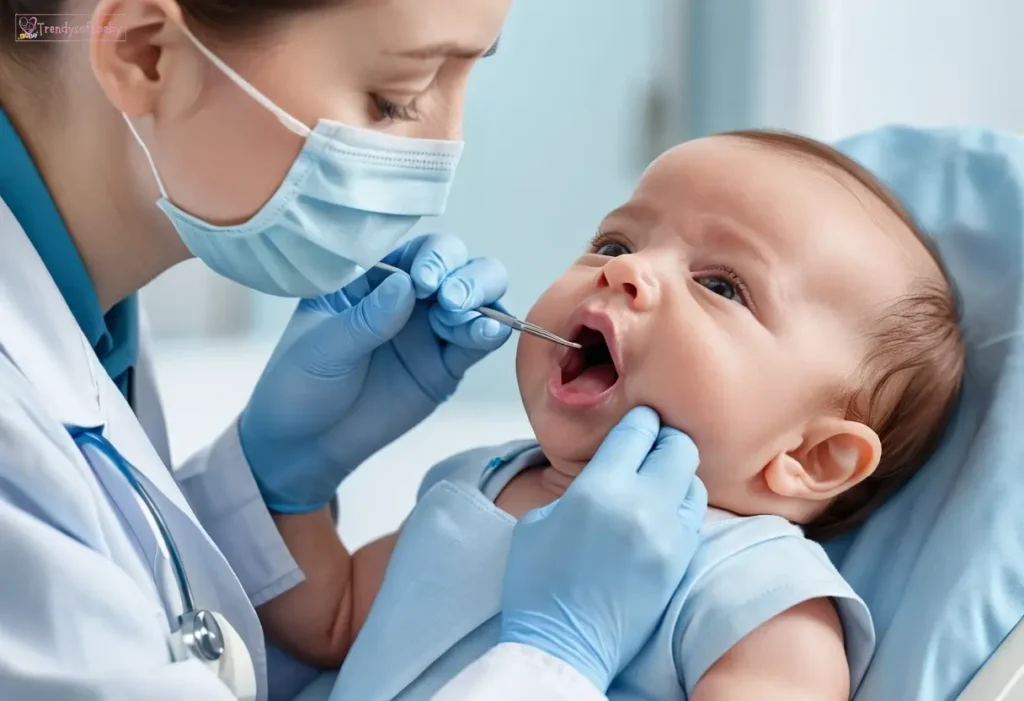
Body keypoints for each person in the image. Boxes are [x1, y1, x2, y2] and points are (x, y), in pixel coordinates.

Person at [0, 1, 709, 700]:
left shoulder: (88, 311)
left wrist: (268, 486)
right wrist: (554, 658)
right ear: (145, 52)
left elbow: (141, 616)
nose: (441, 157)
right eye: (396, 99)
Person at [270, 130, 967, 701]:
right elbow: (330, 617)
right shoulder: (482, 480)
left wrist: (563, 653)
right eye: (616, 244)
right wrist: (289, 486)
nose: (629, 272)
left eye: (721, 284)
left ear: (811, 457)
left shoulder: (762, 594)